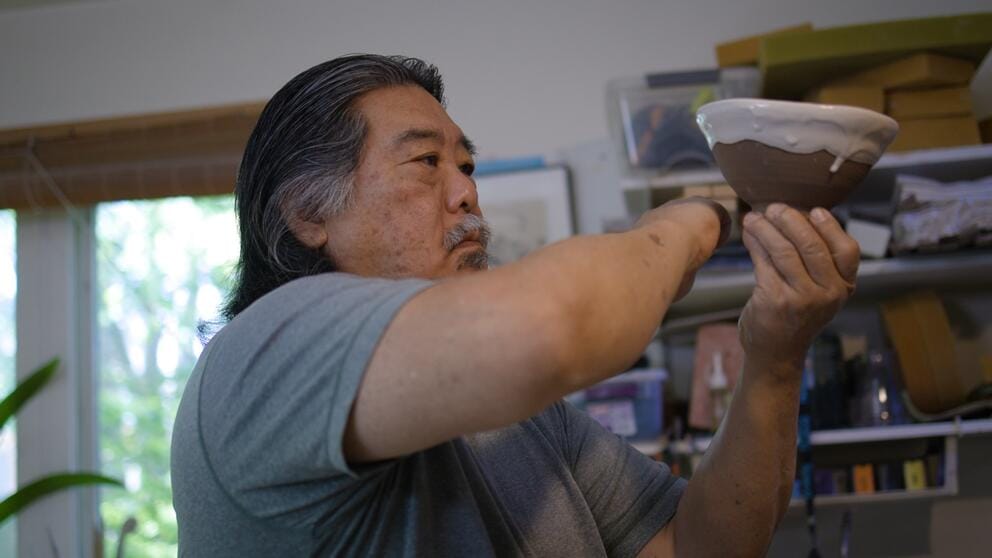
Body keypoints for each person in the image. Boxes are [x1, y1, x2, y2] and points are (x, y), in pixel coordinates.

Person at [171, 54, 859, 557]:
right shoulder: (267, 354)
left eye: (466, 165)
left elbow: (700, 549)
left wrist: (774, 354)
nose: (466, 192)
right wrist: (699, 218)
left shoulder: (522, 419)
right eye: (424, 164)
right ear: (305, 212)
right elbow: (551, 327)